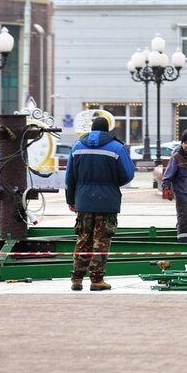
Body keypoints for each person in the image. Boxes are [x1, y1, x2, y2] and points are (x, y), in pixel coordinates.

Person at [65, 116, 135, 291]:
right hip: (107, 202)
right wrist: (111, 184)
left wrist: (71, 200)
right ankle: (96, 280)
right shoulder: (116, 147)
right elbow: (128, 174)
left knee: (83, 239)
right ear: (107, 130)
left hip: (83, 201)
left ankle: (77, 279)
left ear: (92, 129)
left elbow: (69, 178)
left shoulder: (77, 147)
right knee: (101, 240)